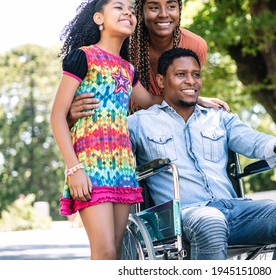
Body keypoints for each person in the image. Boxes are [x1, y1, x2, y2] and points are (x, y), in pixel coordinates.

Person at [128, 48, 276, 260]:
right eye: (181, 74)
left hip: (234, 210)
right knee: (211, 221)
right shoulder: (139, 123)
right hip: (184, 215)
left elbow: (252, 139)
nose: (191, 81)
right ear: (161, 81)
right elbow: (106, 148)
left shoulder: (219, 118)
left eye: (196, 74)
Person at [50, 0, 163, 260]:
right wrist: (74, 168)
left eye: (132, 11)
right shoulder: (83, 56)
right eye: (118, 7)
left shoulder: (128, 69)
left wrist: (197, 99)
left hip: (123, 167)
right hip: (90, 167)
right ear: (99, 19)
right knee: (104, 251)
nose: (127, 13)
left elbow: (151, 102)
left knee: (115, 252)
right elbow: (57, 117)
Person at [66, 0, 228, 124]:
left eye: (171, 6)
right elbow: (76, 107)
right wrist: (71, 115)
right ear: (140, 12)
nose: (164, 14)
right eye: (154, 7)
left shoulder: (195, 46)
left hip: (169, 128)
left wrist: (195, 98)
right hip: (121, 128)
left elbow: (172, 98)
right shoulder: (120, 46)